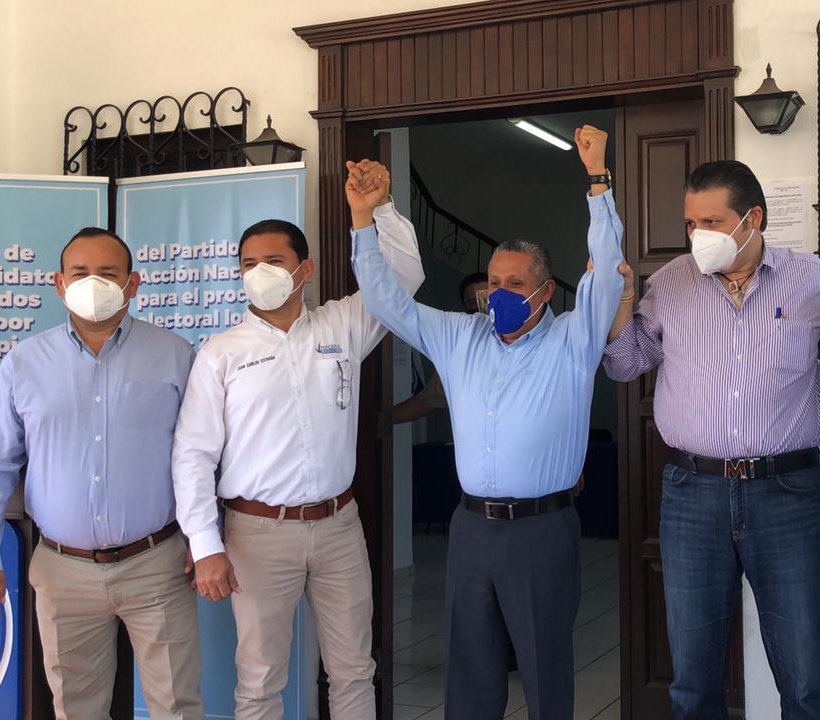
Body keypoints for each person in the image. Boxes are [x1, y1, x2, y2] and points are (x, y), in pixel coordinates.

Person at [350, 124, 623, 720]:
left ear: (545, 291)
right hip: (472, 527)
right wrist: (363, 221)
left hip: (542, 529)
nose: (497, 293)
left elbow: (606, 271)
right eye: (493, 282)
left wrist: (597, 179)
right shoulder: (459, 336)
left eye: (514, 284)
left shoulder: (575, 339)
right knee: (470, 667)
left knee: (544, 668)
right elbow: (388, 304)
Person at [603, 159, 820, 719]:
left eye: (711, 222)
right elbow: (625, 364)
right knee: (693, 678)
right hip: (694, 492)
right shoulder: (671, 283)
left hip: (787, 493)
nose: (697, 235)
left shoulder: (808, 278)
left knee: (804, 675)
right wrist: (619, 300)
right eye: (691, 223)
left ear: (752, 219)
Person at [171, 182, 424, 719]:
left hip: (338, 526)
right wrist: (204, 543)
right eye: (249, 264)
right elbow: (192, 454)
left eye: (273, 261)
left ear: (303, 270)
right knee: (260, 678)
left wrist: (377, 210)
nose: (259, 272)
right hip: (257, 533)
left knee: (354, 668)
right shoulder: (221, 353)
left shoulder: (343, 324)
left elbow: (404, 278)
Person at [0, 228, 204, 720]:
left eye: (108, 274)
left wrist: (207, 539)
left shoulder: (177, 356)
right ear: (59, 283)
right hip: (63, 569)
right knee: (76, 710)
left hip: (157, 563)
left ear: (132, 284)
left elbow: (204, 454)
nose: (94, 284)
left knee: (177, 706)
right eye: (80, 273)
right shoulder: (24, 363)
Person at [391, 272, 487, 424]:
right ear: (465, 306)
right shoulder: (460, 350)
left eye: (486, 299)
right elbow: (428, 401)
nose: (481, 307)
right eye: (473, 302)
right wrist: (377, 420)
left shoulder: (523, 341)